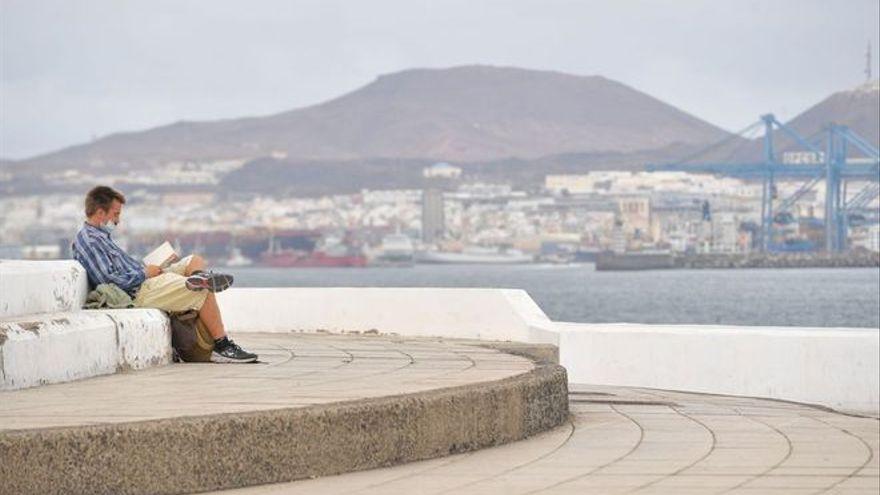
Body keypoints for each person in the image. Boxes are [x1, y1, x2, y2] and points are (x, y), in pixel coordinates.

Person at [71, 185, 257, 363]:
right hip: (139, 291)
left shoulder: (101, 236)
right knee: (203, 289)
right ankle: (222, 346)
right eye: (116, 214)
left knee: (194, 260)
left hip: (144, 279)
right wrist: (145, 273)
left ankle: (196, 278)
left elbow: (121, 270)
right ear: (100, 212)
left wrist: (153, 267)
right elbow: (109, 280)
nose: (118, 220)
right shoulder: (90, 241)